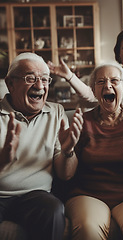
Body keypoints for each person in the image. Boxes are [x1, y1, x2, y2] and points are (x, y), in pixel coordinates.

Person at [63, 62, 123, 240]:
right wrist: (68, 149)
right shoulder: (82, 122)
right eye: (101, 82)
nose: (107, 85)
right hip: (88, 194)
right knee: (88, 229)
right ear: (94, 91)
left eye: (114, 81)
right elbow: (67, 174)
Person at [0, 52, 83, 240]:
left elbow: (66, 174)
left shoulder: (56, 112)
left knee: (53, 210)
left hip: (35, 196)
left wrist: (68, 150)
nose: (39, 86)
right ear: (10, 83)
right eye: (30, 78)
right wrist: (2, 161)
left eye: (45, 79)